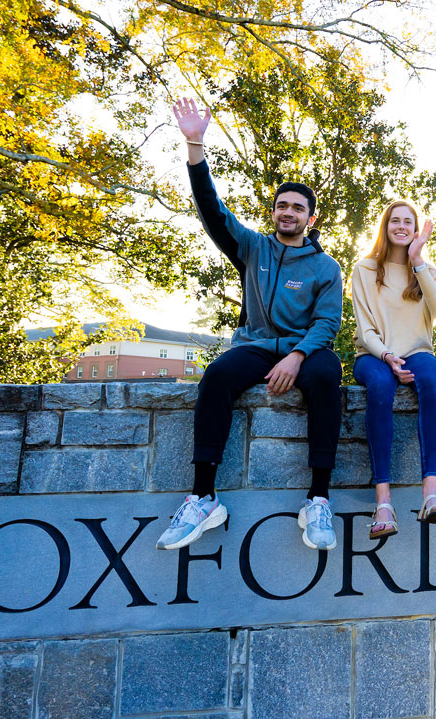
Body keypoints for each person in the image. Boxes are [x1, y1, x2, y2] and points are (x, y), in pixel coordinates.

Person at [157, 97, 344, 552]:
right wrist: (195, 144)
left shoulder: (325, 266)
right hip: (256, 345)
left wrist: (298, 355)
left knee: (327, 376)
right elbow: (212, 210)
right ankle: (203, 497)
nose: (288, 213)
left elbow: (328, 323)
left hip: (305, 348)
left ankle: (318, 498)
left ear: (310, 218)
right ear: (273, 211)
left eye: (298, 208)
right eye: (282, 206)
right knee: (218, 375)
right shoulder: (252, 248)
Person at [351, 200, 436, 539]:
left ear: (415, 229)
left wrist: (418, 261)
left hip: (418, 351)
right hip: (375, 354)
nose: (401, 226)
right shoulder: (364, 269)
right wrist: (387, 356)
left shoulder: (426, 270)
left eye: (408, 222)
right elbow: (365, 328)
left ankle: (431, 495)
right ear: (385, 225)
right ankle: (383, 501)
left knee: (431, 377)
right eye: (395, 220)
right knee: (380, 387)